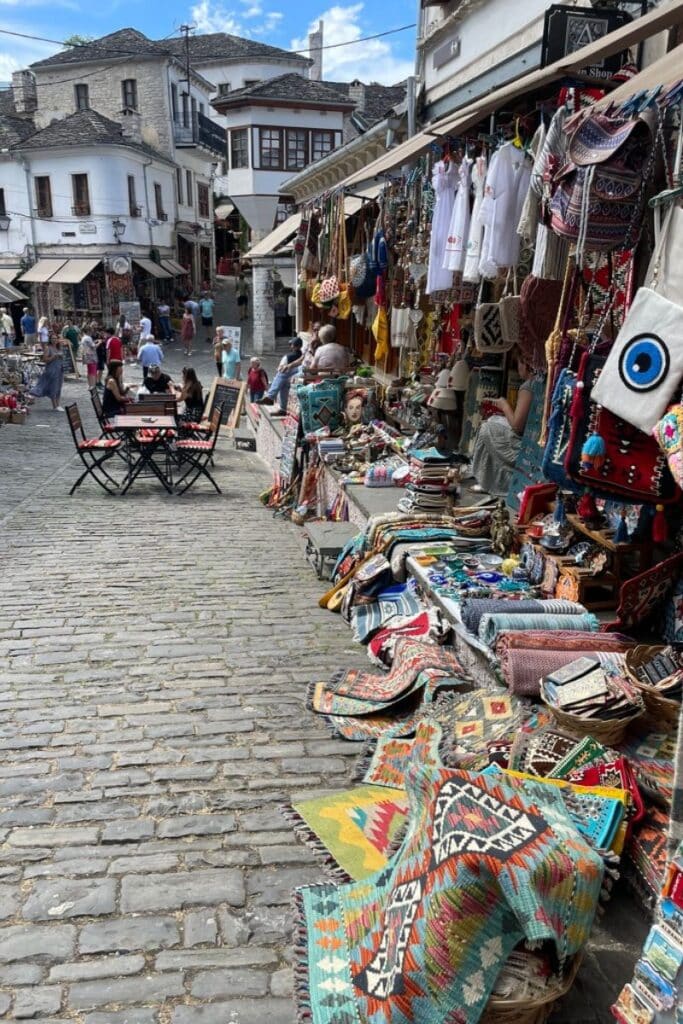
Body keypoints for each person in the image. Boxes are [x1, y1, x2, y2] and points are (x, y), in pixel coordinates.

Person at [470, 350, 535, 497]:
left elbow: (517, 426)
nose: (518, 368)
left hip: (522, 442)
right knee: (494, 421)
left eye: (519, 363)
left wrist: (504, 405)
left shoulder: (528, 386)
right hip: (531, 436)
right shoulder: (538, 384)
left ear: (526, 365)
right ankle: (487, 479)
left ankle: (488, 481)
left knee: (487, 427)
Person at [258, 337, 303, 416]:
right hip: (299, 371)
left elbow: (280, 367)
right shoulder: (302, 354)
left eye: (291, 344)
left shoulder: (288, 356)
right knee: (284, 382)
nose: (290, 346)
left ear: (293, 346)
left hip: (300, 372)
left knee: (282, 375)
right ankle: (282, 408)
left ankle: (271, 397)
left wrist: (286, 367)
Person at [30, 333, 64, 411]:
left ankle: (58, 404)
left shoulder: (59, 349)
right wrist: (53, 357)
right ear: (50, 340)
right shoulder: (48, 348)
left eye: (55, 338)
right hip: (52, 370)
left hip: (60, 370)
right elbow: (45, 360)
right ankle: (55, 406)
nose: (54, 340)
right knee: (54, 388)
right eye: (53, 338)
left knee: (59, 387)